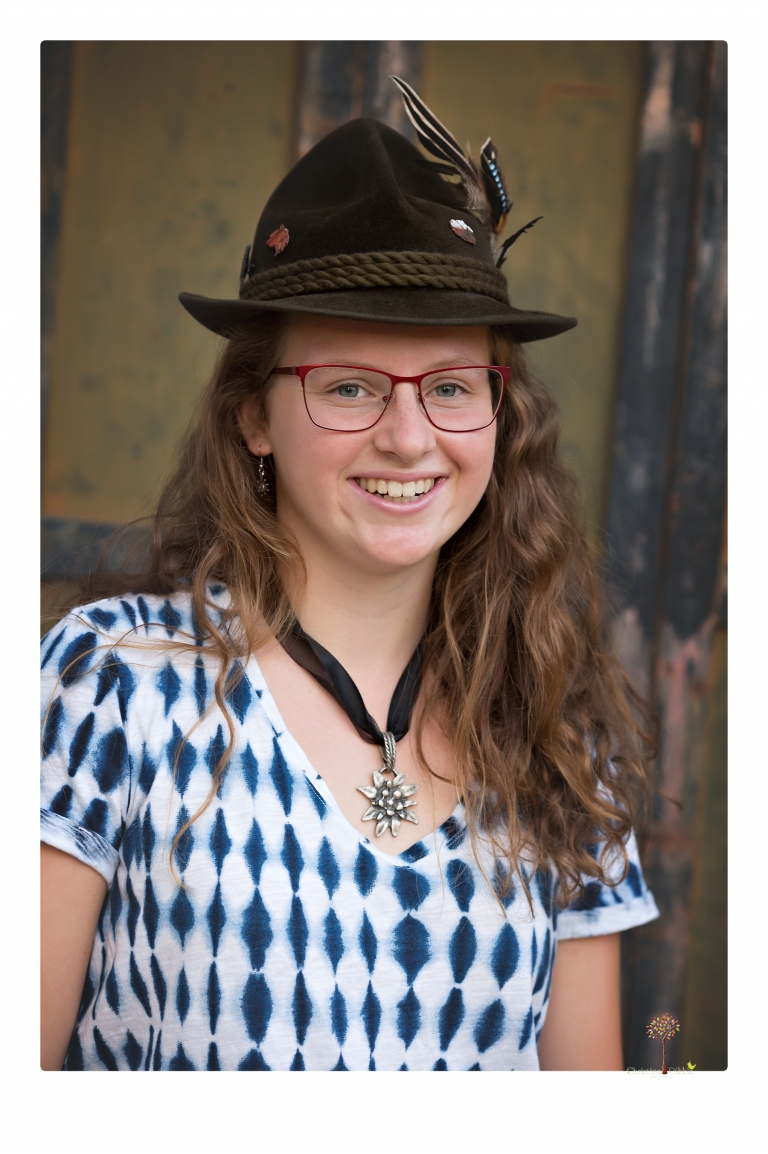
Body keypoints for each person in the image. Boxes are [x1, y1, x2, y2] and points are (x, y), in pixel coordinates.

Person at [40, 79, 659, 1072]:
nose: (408, 436)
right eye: (348, 386)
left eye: (452, 386)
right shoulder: (113, 684)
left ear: (501, 413)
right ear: (255, 414)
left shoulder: (557, 737)